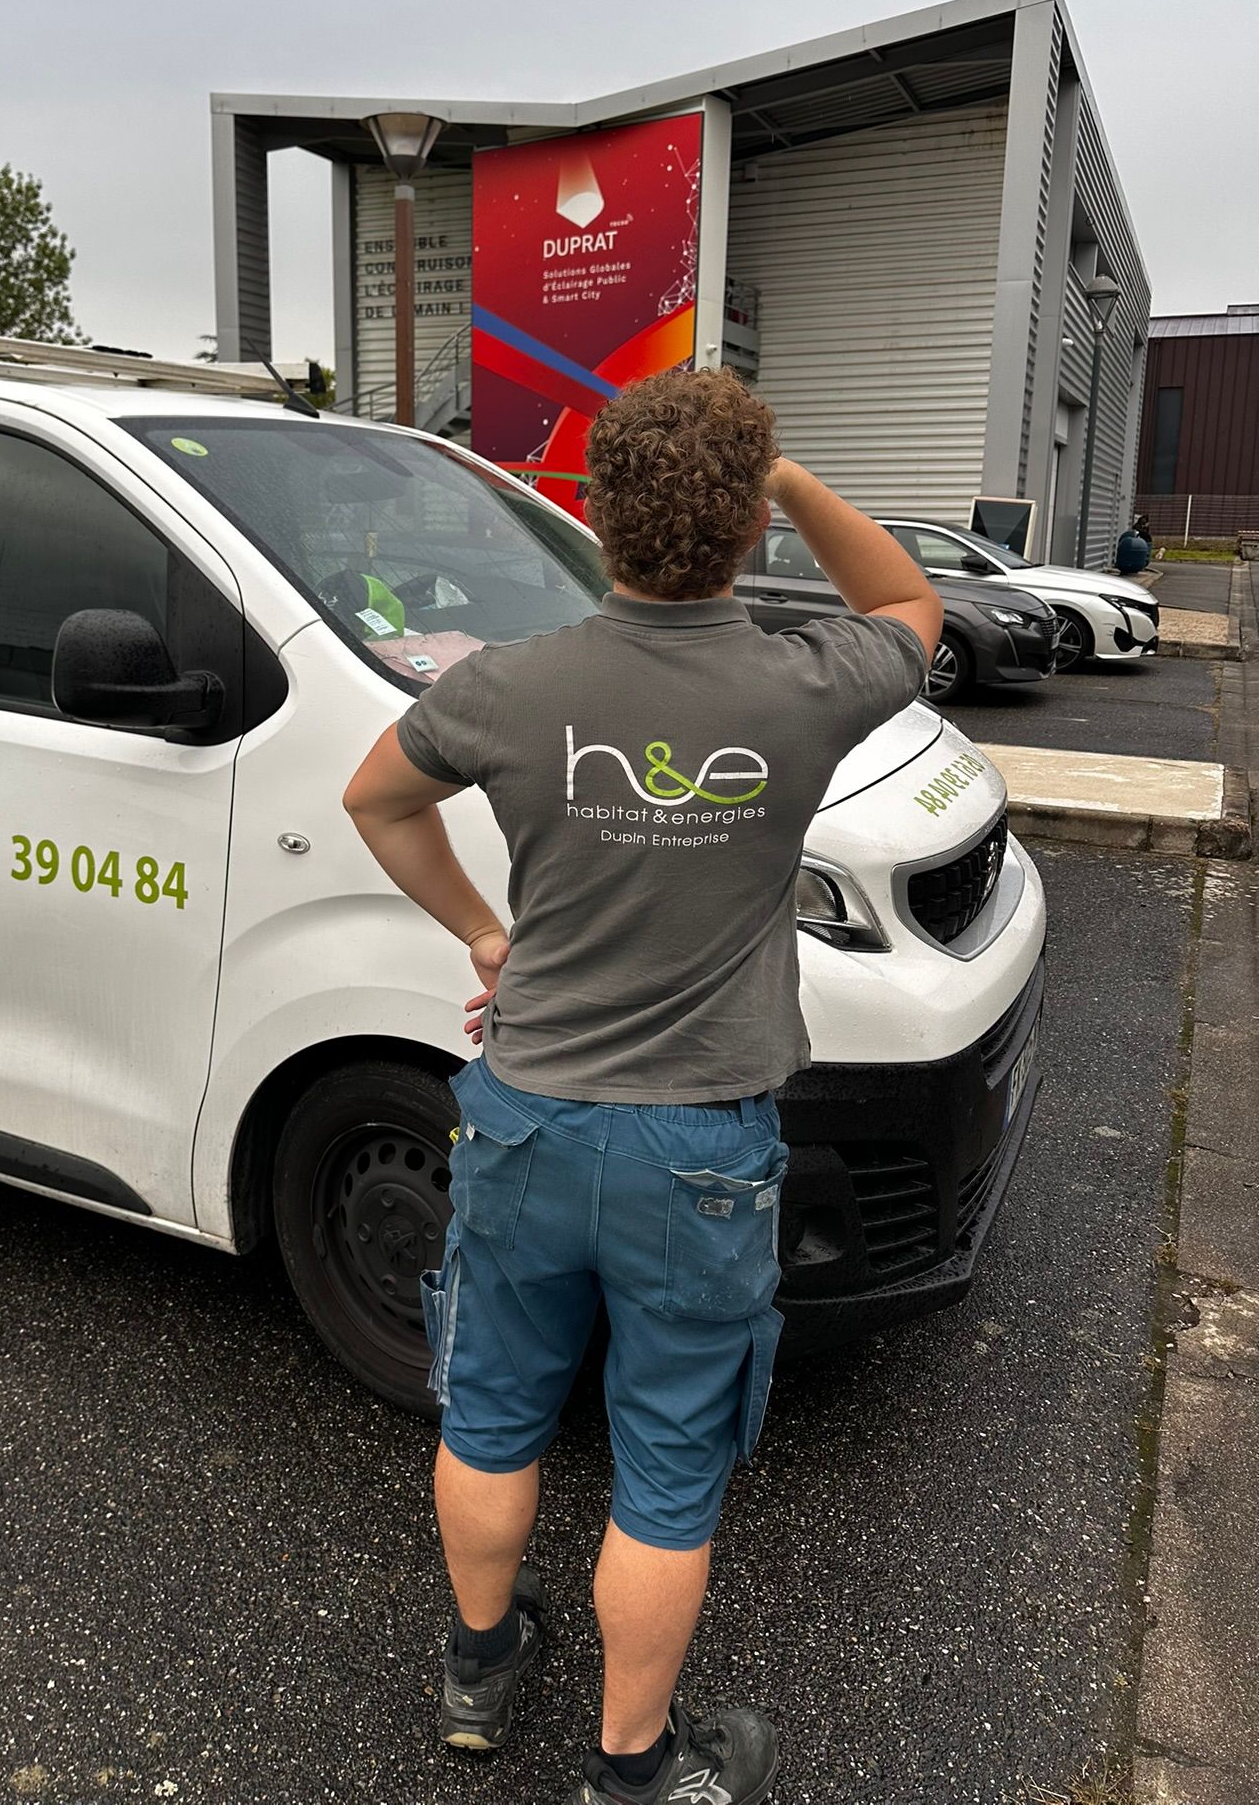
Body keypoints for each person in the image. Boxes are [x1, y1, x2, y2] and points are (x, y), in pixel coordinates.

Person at [343, 368, 941, 1805]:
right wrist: (784, 478)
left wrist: (484, 934)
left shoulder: (507, 683)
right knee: (667, 1472)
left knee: (491, 1410)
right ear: (744, 526)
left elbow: (375, 798)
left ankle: (480, 1666)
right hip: (701, 1149)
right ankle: (633, 1770)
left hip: (525, 1115)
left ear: (597, 512)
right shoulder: (804, 682)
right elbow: (908, 602)